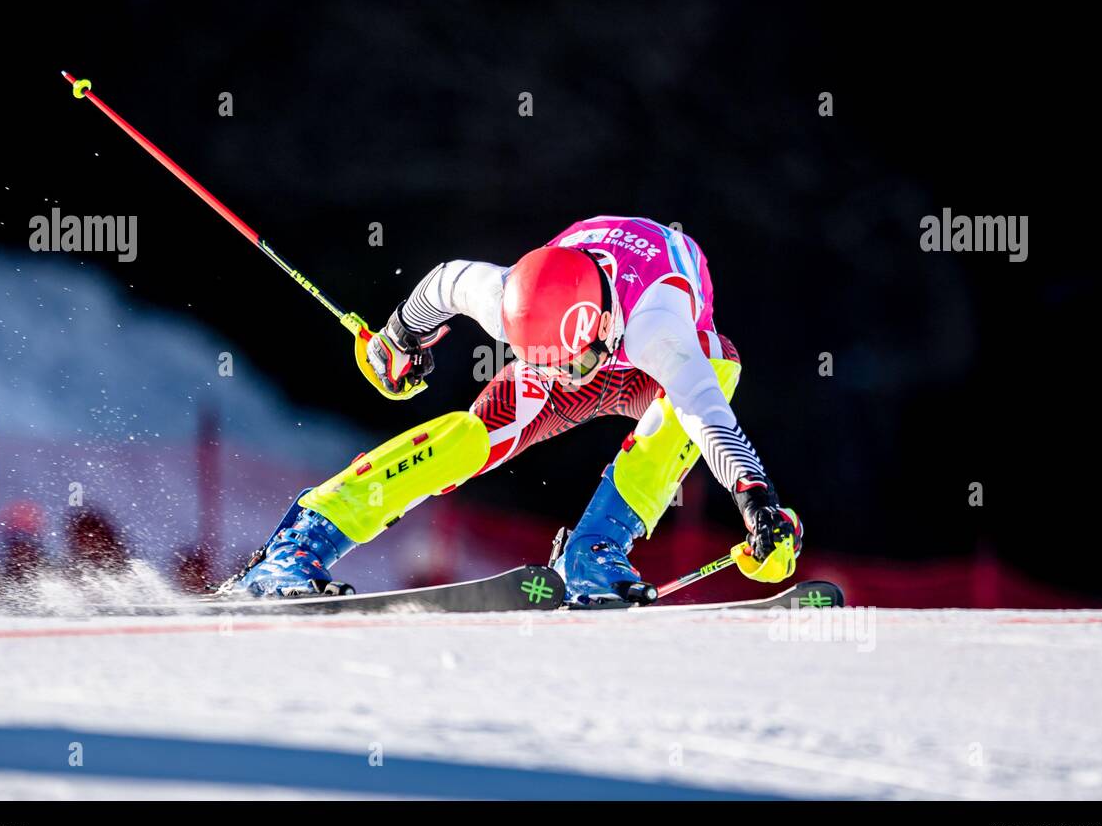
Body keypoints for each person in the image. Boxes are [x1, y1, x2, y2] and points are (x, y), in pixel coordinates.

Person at [237, 215, 801, 604]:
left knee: (718, 365)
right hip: (569, 335)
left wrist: (756, 502)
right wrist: (397, 341)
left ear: (602, 327)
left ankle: (595, 549)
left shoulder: (659, 324)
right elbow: (444, 282)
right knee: (467, 439)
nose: (564, 379)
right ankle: (302, 541)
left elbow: (707, 411)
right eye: (541, 360)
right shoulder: (510, 298)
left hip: (645, 370)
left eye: (571, 365)